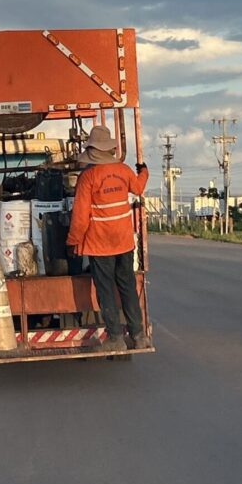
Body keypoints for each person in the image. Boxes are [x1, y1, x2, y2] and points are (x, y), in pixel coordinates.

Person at [68, 125, 151, 351]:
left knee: (105, 290)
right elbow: (138, 188)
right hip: (124, 241)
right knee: (127, 286)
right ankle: (138, 335)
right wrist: (144, 171)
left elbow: (80, 217)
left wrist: (73, 242)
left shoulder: (88, 177)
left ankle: (115, 338)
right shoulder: (123, 170)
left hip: (100, 243)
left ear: (92, 151)